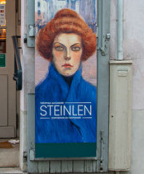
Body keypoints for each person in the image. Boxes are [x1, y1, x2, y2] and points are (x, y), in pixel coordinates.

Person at [35, 8, 97, 144]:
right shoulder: (37, 97)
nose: (67, 56)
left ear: (83, 51)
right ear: (50, 51)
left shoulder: (94, 96)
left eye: (75, 48)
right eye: (59, 48)